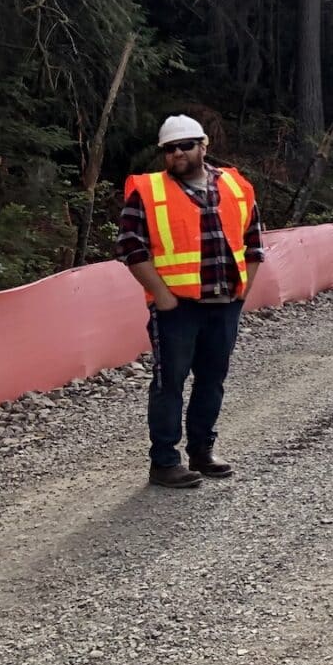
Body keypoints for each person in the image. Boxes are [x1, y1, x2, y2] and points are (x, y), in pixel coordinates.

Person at [116, 115, 265, 488]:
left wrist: (241, 292)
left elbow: (254, 242)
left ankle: (202, 450)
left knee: (212, 379)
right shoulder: (148, 191)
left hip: (223, 304)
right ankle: (165, 462)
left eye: (184, 146)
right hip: (177, 310)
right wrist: (164, 299)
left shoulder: (235, 185)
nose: (177, 154)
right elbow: (131, 249)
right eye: (169, 149)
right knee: (170, 383)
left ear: (203, 145)